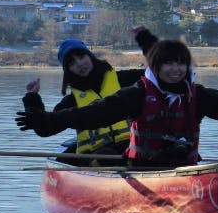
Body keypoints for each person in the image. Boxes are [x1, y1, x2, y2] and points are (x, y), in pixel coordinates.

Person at [16, 34, 218, 166]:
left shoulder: (198, 96)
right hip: (136, 170)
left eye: (181, 63)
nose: (175, 70)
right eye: (168, 64)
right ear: (157, 68)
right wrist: (42, 114)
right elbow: (92, 115)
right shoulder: (136, 93)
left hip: (180, 169)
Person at [21, 29, 155, 156]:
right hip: (95, 160)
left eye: (81, 56)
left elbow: (158, 75)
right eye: (72, 63)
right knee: (105, 155)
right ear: (68, 71)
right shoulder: (71, 101)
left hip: (135, 150)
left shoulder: (126, 79)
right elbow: (45, 128)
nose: (79, 64)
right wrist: (32, 98)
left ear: (90, 56)